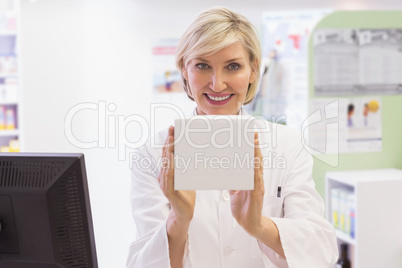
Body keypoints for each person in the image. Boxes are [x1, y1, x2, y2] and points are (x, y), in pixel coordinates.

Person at [127, 6, 338, 268]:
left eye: (233, 66)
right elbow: (143, 264)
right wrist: (178, 221)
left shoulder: (287, 145)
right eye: (202, 65)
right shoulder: (153, 154)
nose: (217, 84)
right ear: (184, 69)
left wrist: (259, 225)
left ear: (252, 71)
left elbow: (322, 251)